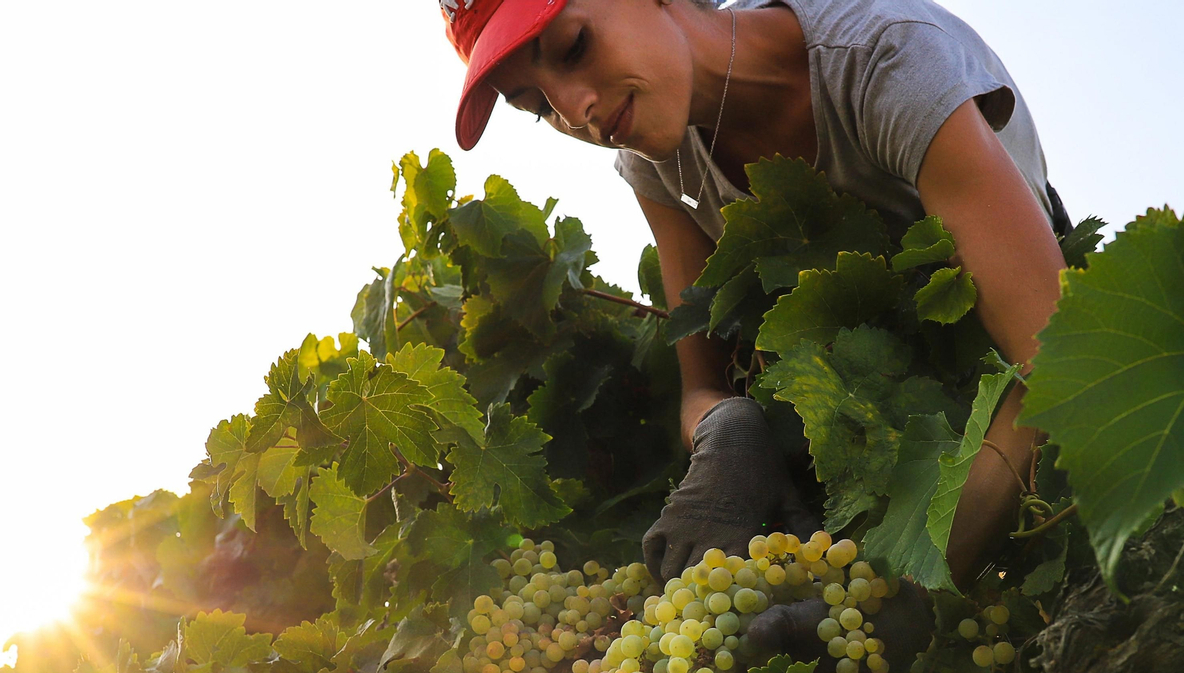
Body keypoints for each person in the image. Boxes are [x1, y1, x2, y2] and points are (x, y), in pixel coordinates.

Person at [441, 0, 1068, 590]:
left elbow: (1060, 366)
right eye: (536, 106)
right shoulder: (657, 162)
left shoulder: (885, 61)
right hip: (892, 413)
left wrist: (899, 600)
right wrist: (726, 430)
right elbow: (700, 385)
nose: (575, 111)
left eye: (574, 46)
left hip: (1024, 392)